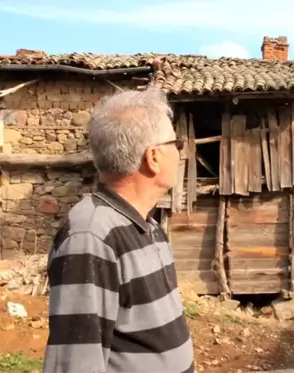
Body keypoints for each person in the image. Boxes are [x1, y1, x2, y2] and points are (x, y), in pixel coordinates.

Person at [42, 89, 195, 373]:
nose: (181, 152)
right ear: (153, 157)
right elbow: (75, 365)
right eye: (177, 142)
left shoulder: (148, 227)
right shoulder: (92, 237)